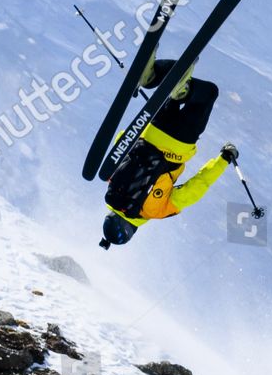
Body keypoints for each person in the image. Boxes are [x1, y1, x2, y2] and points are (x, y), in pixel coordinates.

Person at [99, 56, 237, 249]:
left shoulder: (155, 211)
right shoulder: (111, 181)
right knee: (174, 86)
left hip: (179, 144)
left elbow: (195, 188)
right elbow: (122, 141)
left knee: (207, 93)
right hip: (151, 130)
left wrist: (224, 159)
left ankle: (179, 89)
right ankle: (154, 76)